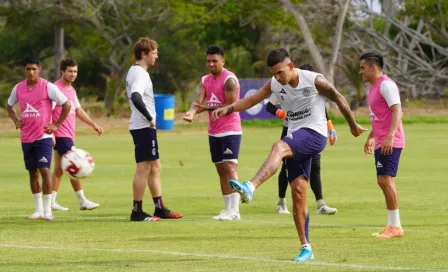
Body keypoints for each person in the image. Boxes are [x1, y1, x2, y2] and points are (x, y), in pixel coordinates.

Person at [212, 49, 366, 262]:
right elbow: (254, 99)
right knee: (298, 193)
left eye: (280, 72)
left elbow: (338, 98)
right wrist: (229, 109)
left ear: (291, 66)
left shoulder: (313, 80)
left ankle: (251, 186)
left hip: (315, 134)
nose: (277, 78)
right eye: (274, 74)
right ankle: (306, 248)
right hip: (296, 134)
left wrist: (352, 125)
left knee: (279, 147)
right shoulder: (275, 84)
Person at [265, 64, 337, 215]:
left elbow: (321, 109)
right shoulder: (282, 85)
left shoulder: (314, 86)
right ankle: (281, 201)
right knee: (286, 167)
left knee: (315, 167)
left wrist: (330, 127)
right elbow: (269, 107)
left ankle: (320, 204)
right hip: (290, 129)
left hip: (312, 130)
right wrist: (281, 113)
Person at [7, 56, 71, 221]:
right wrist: (15, 120)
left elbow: (66, 104)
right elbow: (9, 105)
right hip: (26, 137)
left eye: (34, 69)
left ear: (39, 69)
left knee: (44, 170)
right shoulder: (18, 88)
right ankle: (38, 209)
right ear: (24, 70)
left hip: (43, 136)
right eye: (28, 69)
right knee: (32, 172)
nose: (31, 72)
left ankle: (48, 210)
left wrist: (56, 125)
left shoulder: (47, 86)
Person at [126, 37, 182, 221]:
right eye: (154, 52)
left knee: (154, 166)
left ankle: (160, 208)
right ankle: (137, 211)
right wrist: (149, 117)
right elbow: (135, 96)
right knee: (144, 167)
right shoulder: (139, 74)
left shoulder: (138, 72)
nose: (157, 56)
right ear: (144, 54)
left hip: (144, 127)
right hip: (143, 126)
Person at [183, 45, 242, 221]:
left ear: (223, 61)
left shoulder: (229, 80)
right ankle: (226, 209)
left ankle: (235, 210)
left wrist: (206, 108)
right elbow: (198, 101)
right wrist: (191, 112)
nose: (211, 64)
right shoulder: (205, 80)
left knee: (230, 167)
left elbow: (231, 107)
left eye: (214, 61)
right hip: (214, 131)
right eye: (208, 61)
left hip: (230, 130)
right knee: (220, 170)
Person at [359, 51, 405, 238]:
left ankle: (395, 226)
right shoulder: (374, 87)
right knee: (386, 181)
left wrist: (390, 136)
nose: (360, 72)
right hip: (381, 141)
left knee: (384, 180)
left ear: (374, 67)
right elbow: (379, 116)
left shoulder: (386, 85)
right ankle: (392, 224)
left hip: (389, 142)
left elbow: (397, 111)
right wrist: (371, 136)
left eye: (363, 68)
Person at [51, 58, 103, 211]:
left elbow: (79, 111)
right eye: (70, 71)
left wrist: (93, 124)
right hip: (61, 135)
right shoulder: (55, 88)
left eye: (75, 71)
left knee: (60, 170)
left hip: (68, 135)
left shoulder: (71, 90)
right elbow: (48, 111)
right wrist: (51, 132)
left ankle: (51, 201)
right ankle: (82, 201)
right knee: (76, 164)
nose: (73, 74)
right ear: (62, 71)